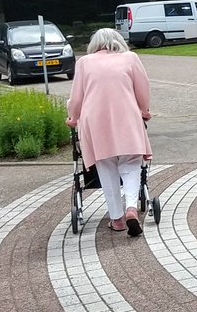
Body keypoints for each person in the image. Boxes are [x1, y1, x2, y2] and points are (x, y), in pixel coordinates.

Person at [65, 28, 152, 238]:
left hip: (95, 122)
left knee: (106, 167)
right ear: (118, 41)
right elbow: (143, 89)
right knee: (131, 165)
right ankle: (131, 207)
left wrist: (72, 117)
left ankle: (117, 219)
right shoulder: (130, 58)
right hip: (127, 118)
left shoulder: (84, 63)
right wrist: (144, 110)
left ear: (94, 44)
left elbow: (76, 97)